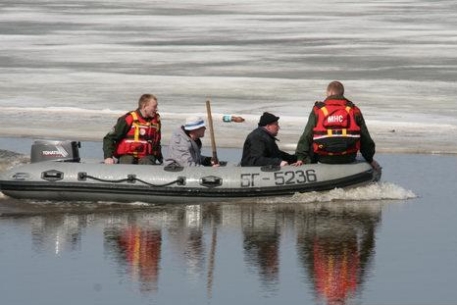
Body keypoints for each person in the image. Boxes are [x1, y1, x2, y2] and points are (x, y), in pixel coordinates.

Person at [295, 81, 381, 171]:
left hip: (323, 158)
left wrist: (300, 158)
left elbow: (307, 135)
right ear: (342, 93)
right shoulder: (354, 110)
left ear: (329, 93)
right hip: (348, 157)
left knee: (312, 142)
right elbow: (365, 138)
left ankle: (309, 171)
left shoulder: (318, 110)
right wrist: (370, 159)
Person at [103, 94, 163, 165]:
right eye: (154, 107)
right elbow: (109, 138)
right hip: (127, 155)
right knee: (127, 161)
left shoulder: (156, 121)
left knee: (147, 162)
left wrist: (161, 159)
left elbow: (157, 142)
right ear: (144, 106)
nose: (157, 109)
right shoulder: (128, 119)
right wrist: (108, 157)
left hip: (147, 157)